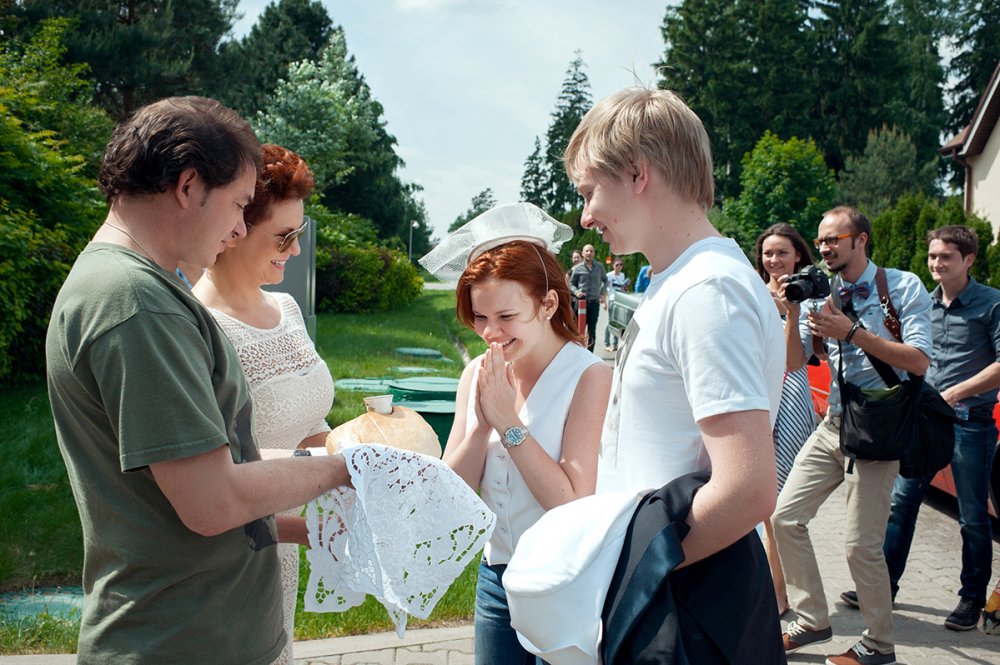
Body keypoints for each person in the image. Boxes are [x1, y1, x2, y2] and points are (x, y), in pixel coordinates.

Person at [45, 96, 351, 664]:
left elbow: (198, 480)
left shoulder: (138, 289)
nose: (238, 227)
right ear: (188, 186)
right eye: (238, 205)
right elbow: (212, 502)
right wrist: (345, 468)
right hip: (181, 641)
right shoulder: (137, 303)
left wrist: (315, 508)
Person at [564, 87, 787, 655]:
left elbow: (747, 488)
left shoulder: (707, 291)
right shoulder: (683, 281)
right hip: (674, 584)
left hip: (683, 599)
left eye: (589, 192)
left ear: (637, 173)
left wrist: (628, 572)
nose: (586, 217)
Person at [420, 202, 612, 665]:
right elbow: (451, 494)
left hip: (566, 582)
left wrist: (508, 423)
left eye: (506, 317)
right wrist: (481, 424)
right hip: (497, 578)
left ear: (548, 304)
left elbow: (572, 503)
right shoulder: (476, 373)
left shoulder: (589, 376)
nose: (490, 333)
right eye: (479, 318)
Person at [770, 206, 932, 665]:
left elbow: (919, 361)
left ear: (860, 240)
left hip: (879, 429)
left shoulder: (901, 286)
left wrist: (853, 332)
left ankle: (879, 644)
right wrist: (793, 311)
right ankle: (812, 619)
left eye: (833, 239)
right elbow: (795, 363)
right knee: (784, 518)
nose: (824, 248)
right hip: (834, 425)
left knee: (860, 545)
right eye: (820, 241)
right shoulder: (822, 292)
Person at [193, 144, 334, 664]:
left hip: (284, 549)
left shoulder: (287, 308)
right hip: (231, 555)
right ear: (234, 226)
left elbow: (308, 424)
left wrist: (371, 455)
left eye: (299, 234)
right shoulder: (200, 327)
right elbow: (209, 484)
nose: (294, 251)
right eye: (283, 236)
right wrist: (311, 531)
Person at [839, 225, 1000, 631]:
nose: (936, 263)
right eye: (932, 256)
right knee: (902, 505)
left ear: (969, 260)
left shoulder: (991, 303)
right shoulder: (921, 302)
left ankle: (971, 599)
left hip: (970, 423)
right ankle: (884, 586)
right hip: (922, 421)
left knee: (972, 517)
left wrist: (955, 393)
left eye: (946, 257)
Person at [754, 223, 819, 615]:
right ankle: (773, 589)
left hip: (791, 401)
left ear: (798, 256)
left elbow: (795, 361)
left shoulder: (808, 302)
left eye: (782, 253)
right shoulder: (749, 292)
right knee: (763, 506)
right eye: (768, 253)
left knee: (779, 507)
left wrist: (791, 313)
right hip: (757, 399)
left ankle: (778, 594)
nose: (774, 260)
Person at [569, 243, 607, 351]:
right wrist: (576, 292)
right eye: (587, 251)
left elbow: (605, 280)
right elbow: (571, 283)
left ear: (594, 253)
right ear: (583, 253)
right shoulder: (577, 268)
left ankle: (590, 354)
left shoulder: (599, 267)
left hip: (594, 302)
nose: (589, 253)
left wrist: (602, 293)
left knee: (592, 330)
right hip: (581, 303)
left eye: (591, 251)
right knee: (577, 329)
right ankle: (577, 352)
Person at [603, 257, 631, 352]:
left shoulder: (622, 275)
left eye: (621, 265)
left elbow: (622, 288)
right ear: (613, 266)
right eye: (617, 265)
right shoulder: (609, 275)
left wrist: (626, 286)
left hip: (620, 300)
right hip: (612, 300)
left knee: (617, 323)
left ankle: (615, 345)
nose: (619, 267)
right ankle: (607, 343)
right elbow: (604, 289)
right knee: (610, 321)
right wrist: (604, 302)